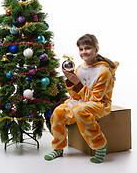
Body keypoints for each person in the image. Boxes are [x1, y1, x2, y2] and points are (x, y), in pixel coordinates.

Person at [44, 34, 119, 163]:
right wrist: (70, 82)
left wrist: (77, 83)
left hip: (100, 104)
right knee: (57, 112)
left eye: (88, 48)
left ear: (96, 49)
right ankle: (58, 147)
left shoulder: (104, 71)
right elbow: (75, 96)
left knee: (80, 110)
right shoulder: (80, 68)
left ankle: (100, 145)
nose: (84, 52)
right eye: (81, 49)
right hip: (82, 102)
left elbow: (95, 99)